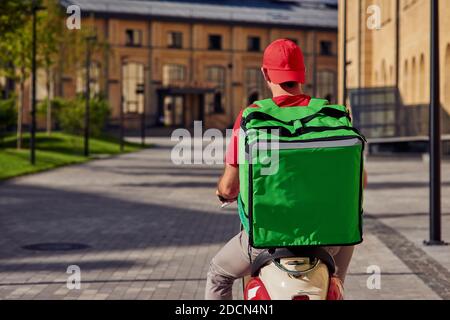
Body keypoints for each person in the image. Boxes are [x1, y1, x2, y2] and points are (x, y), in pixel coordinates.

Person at [205, 39, 366, 300]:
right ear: (303, 74)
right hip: (332, 239)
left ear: (266, 73)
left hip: (266, 242)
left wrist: (223, 193)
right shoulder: (334, 115)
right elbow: (360, 182)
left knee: (218, 275)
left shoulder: (252, 117)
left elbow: (230, 187)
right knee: (334, 280)